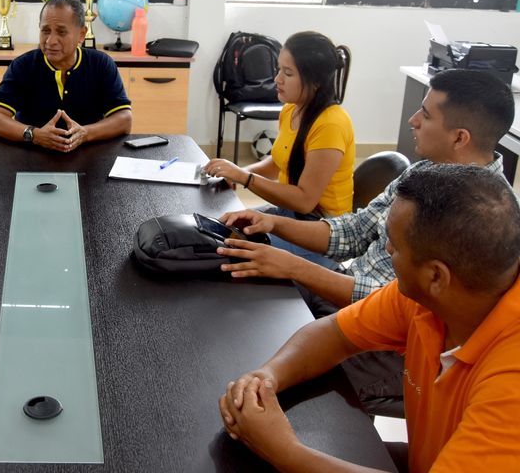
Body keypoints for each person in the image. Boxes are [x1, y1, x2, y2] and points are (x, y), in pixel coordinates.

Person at [216, 68, 514, 408]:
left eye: (426, 115)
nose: (413, 121)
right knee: (244, 310)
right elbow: (354, 232)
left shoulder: (488, 219)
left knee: (291, 396)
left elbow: (398, 306)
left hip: (396, 346)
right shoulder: (425, 172)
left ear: (460, 138)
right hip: (353, 305)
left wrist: (295, 267)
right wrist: (272, 223)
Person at [219, 163, 520, 472]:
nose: (386, 248)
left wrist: (284, 451)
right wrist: (267, 376)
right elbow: (336, 332)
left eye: (395, 246)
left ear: (436, 276)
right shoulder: (426, 298)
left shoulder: (510, 384)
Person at [205, 31, 354, 217]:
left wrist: (244, 177)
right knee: (220, 223)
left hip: (322, 223)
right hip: (292, 211)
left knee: (228, 230)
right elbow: (279, 162)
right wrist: (238, 174)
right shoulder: (291, 109)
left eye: (288, 73)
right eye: (279, 69)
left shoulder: (331, 125)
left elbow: (305, 201)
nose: (277, 79)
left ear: (315, 81)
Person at [0, 0, 132, 152]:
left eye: (61, 32)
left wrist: (85, 133)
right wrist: (34, 134)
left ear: (81, 35)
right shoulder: (23, 66)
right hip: (32, 156)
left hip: (90, 157)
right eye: (45, 31)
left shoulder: (101, 64)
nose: (50, 41)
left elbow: (124, 118)